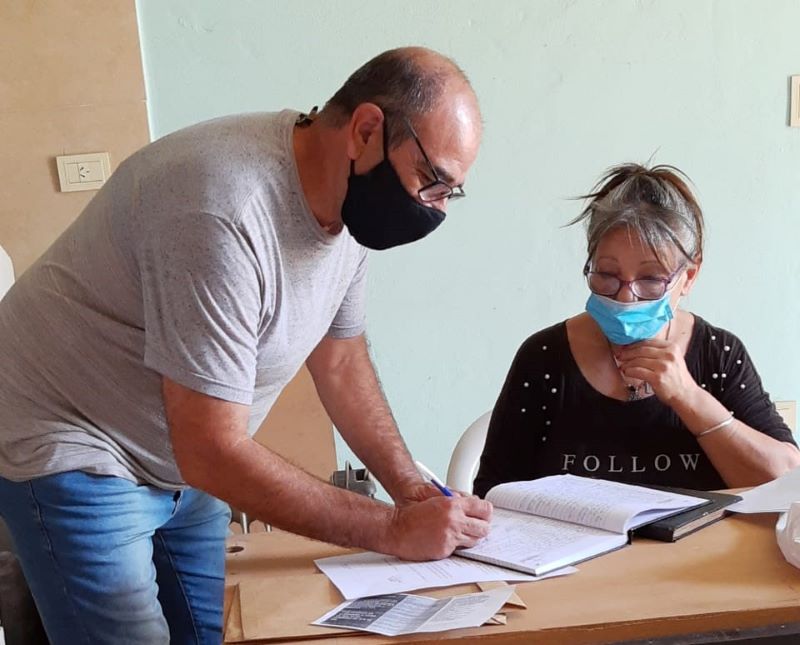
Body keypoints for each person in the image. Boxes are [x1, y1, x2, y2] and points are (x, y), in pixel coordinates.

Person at [0, 47, 492, 644]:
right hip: (72, 436)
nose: (435, 208)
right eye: (432, 180)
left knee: (219, 632)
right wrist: (391, 529)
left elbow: (340, 361)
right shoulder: (221, 208)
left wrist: (412, 493)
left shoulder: (348, 205)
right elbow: (210, 448)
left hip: (180, 456)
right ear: (366, 131)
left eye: (450, 193)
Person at [474, 163, 800, 498]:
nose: (626, 297)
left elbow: (786, 482)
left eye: (651, 280)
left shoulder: (719, 354)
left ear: (689, 276)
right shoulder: (544, 358)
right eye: (606, 275)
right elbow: (492, 491)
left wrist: (687, 396)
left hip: (701, 536)